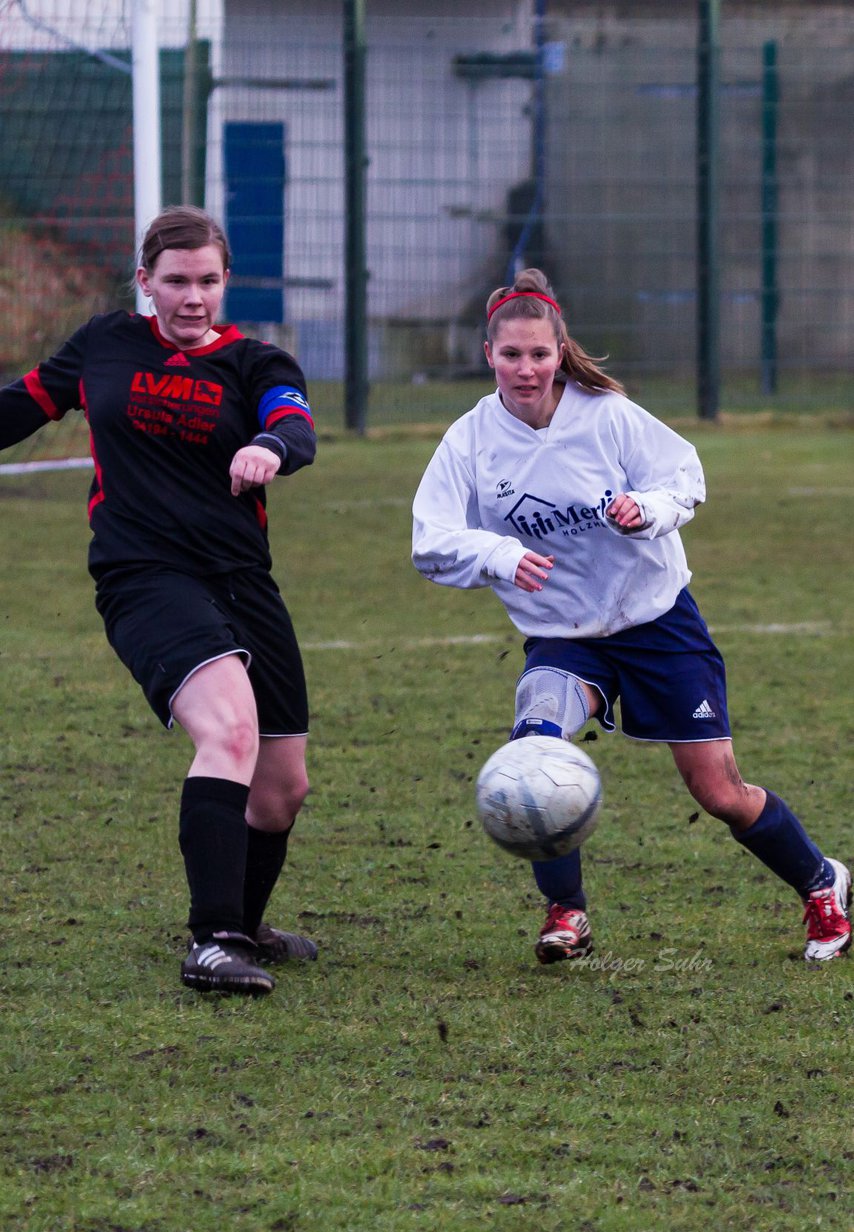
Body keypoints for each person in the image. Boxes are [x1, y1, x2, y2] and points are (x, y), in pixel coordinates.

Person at [411, 267, 850, 966]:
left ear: (562, 350)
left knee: (720, 793)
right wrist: (495, 553)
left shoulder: (607, 415)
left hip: (657, 624)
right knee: (535, 752)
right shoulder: (469, 441)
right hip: (564, 638)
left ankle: (822, 883)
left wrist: (645, 512)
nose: (526, 369)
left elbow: (686, 478)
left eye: (540, 354)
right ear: (486, 353)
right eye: (511, 354)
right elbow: (428, 540)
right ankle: (567, 914)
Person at [0, 205, 319, 995]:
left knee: (281, 791)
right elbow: (20, 406)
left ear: (224, 282)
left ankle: (242, 925)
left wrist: (267, 445)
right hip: (143, 577)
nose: (192, 298)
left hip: (242, 581)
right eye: (175, 281)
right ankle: (212, 942)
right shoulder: (104, 345)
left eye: (208, 281)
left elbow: (295, 426)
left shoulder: (257, 362)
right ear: (145, 282)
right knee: (230, 732)